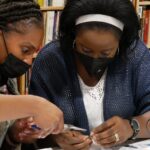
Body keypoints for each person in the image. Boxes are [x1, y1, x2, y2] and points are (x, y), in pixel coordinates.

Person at [29, 0, 150, 149]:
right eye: (85, 50)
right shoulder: (50, 60)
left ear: (121, 44)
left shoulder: (135, 56)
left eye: (106, 52)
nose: (95, 58)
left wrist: (131, 127)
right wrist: (55, 137)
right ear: (73, 37)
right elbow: (30, 126)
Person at [0, 0, 64, 149]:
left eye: (32, 53)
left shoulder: (6, 78)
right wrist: (35, 105)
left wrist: (14, 135)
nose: (29, 62)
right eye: (25, 50)